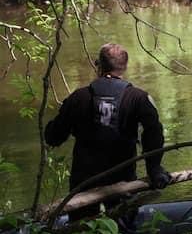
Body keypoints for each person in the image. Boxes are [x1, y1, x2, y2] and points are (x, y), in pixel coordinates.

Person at [44, 43, 170, 221]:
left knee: (81, 233)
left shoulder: (78, 98)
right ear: (125, 66)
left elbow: (53, 137)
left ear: (99, 66)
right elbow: (153, 133)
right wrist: (154, 168)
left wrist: (52, 126)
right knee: (125, 232)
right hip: (122, 180)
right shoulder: (139, 98)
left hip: (84, 181)